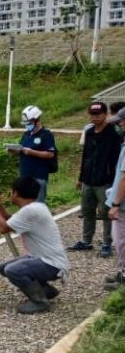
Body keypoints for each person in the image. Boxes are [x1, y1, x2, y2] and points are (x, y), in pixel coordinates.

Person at [0, 177, 69, 314]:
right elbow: (9, 219)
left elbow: (3, 228)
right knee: (3, 268)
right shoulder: (36, 207)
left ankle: (40, 302)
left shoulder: (30, 211)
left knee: (13, 270)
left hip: (51, 264)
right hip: (47, 259)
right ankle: (46, 291)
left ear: (16, 193)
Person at [68, 101, 121, 258]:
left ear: (105, 115)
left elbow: (116, 159)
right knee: (87, 211)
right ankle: (86, 240)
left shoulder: (114, 133)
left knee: (106, 213)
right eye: (92, 114)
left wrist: (114, 182)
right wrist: (80, 177)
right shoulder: (89, 132)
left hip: (105, 181)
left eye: (97, 114)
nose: (94, 117)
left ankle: (107, 243)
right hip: (88, 179)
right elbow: (85, 156)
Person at [6, 105, 56, 202]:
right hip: (24, 176)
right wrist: (13, 150)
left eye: (29, 123)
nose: (27, 125)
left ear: (37, 119)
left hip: (38, 177)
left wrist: (31, 152)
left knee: (38, 205)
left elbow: (50, 154)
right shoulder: (26, 134)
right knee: (25, 205)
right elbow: (22, 150)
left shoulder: (46, 135)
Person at [104, 102, 125, 289]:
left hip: (123, 205)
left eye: (121, 122)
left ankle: (124, 276)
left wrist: (116, 203)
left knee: (121, 240)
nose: (119, 126)